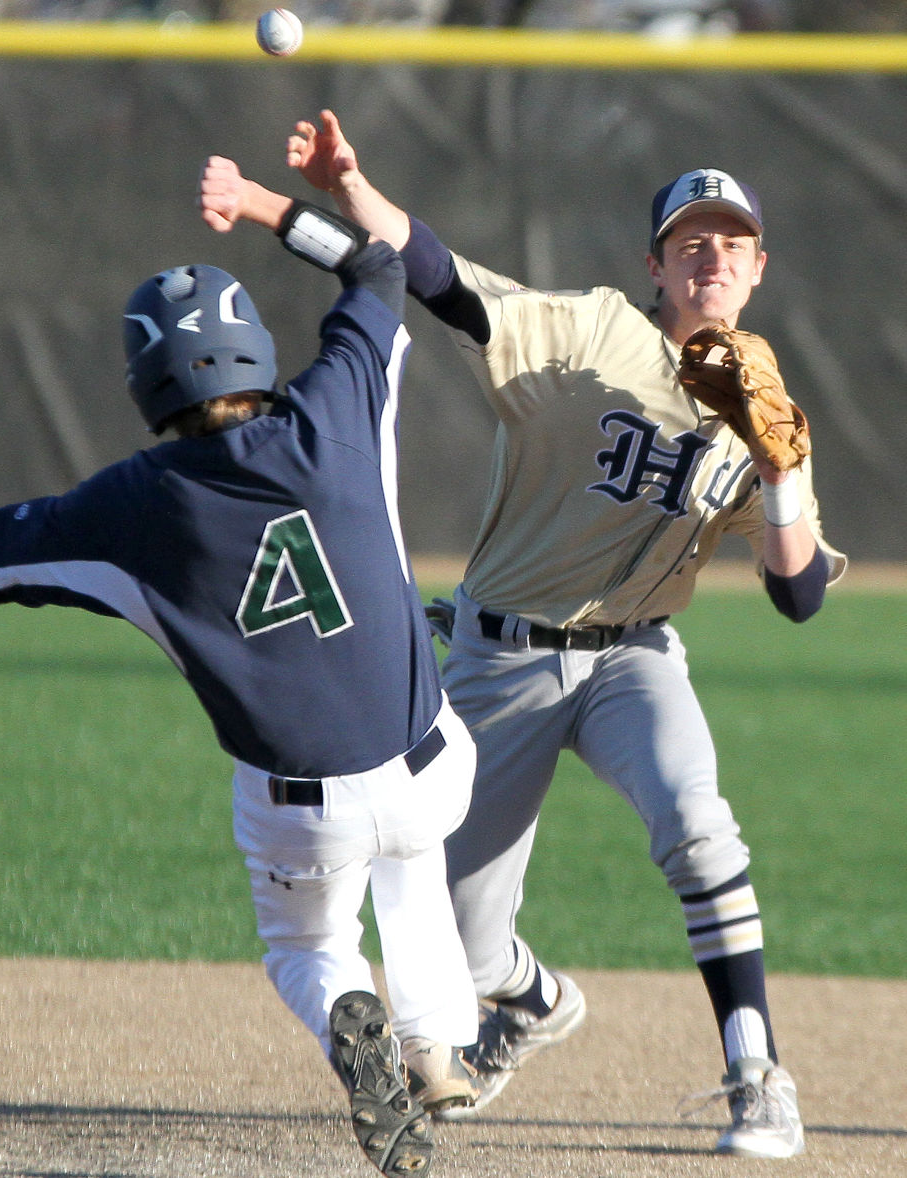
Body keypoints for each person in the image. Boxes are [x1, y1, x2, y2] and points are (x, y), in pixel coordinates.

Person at [0, 157, 485, 1178]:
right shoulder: (338, 405)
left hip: (298, 806)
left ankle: (346, 1012)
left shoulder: (128, 504)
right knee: (416, 841)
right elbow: (379, 265)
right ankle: (435, 1044)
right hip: (424, 767)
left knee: (307, 946)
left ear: (147, 381)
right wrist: (272, 208)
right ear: (250, 345)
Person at [282, 109, 846, 1160]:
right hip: (504, 654)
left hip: (637, 658)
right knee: (456, 934)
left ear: (758, 266)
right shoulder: (593, 335)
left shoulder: (768, 397)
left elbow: (801, 593)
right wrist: (351, 192)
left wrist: (775, 476)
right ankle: (531, 1000)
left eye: (730, 241)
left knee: (700, 825)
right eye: (691, 241)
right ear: (658, 265)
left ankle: (758, 1072)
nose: (710, 255)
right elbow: (449, 281)